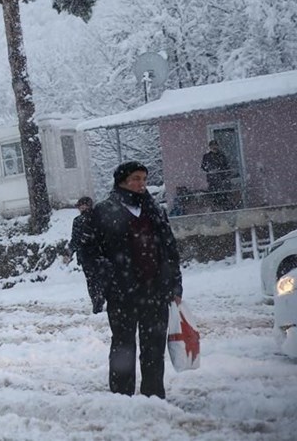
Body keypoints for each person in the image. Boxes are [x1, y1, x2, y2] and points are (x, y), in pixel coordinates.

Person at [80, 161, 183, 399]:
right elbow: (89, 252)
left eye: (144, 179)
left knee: (154, 347)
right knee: (123, 347)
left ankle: (153, 394)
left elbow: (170, 250)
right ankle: (121, 395)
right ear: (122, 181)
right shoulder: (104, 212)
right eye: (136, 178)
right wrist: (106, 277)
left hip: (155, 290)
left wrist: (175, 284)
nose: (141, 184)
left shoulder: (154, 210)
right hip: (122, 292)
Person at [68, 196, 104, 314]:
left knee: (91, 279)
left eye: (82, 205)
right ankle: (100, 296)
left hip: (86, 255)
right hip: (99, 254)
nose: (81, 208)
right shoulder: (99, 217)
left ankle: (96, 299)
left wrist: (70, 251)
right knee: (100, 278)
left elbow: (75, 239)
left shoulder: (78, 221)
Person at [200, 140, 232, 210]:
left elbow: (227, 167)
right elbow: (203, 167)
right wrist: (211, 171)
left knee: (224, 200)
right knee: (214, 200)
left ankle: (224, 211)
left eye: (215, 145)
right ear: (210, 147)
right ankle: (216, 212)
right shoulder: (206, 156)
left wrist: (222, 173)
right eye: (212, 146)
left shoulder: (222, 156)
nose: (214, 147)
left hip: (222, 182)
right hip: (213, 182)